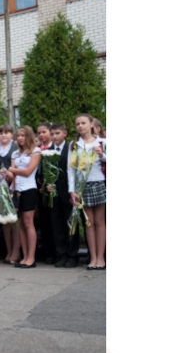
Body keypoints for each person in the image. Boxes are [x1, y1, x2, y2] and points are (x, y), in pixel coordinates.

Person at [69, 114, 107, 270]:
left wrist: (102, 155)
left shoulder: (102, 142)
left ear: (91, 124)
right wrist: (72, 190)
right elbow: (71, 169)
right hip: (82, 187)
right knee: (88, 222)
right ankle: (93, 257)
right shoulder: (74, 145)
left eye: (83, 123)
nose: (80, 126)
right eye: (77, 123)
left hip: (98, 183)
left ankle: (101, 258)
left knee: (100, 222)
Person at [6, 126, 42, 269]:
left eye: (23, 135)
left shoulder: (36, 151)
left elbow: (28, 172)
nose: (20, 138)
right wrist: (8, 173)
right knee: (19, 224)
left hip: (29, 189)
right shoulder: (15, 153)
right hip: (16, 190)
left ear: (29, 136)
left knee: (28, 223)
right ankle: (25, 256)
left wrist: (12, 169)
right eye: (18, 136)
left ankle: (31, 257)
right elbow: (13, 174)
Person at [48, 123, 77, 268]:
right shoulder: (48, 151)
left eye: (57, 133)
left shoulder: (71, 149)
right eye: (52, 134)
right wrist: (47, 184)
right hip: (54, 194)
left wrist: (73, 191)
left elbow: (74, 170)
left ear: (65, 133)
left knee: (71, 224)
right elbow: (46, 171)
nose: (54, 136)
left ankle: (72, 255)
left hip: (67, 192)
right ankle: (61, 254)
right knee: (57, 225)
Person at [0, 124, 21, 264]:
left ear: (11, 134)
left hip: (14, 186)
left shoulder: (16, 148)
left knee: (14, 220)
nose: (3, 135)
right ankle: (9, 251)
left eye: (7, 133)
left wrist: (11, 176)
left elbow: (19, 167)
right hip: (1, 186)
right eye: (1, 133)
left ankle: (16, 252)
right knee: (4, 220)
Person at [35, 121, 55, 263]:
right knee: (44, 222)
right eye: (39, 133)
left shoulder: (54, 148)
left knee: (55, 222)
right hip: (41, 189)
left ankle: (58, 251)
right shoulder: (37, 149)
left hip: (53, 189)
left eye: (44, 132)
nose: (41, 135)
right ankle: (48, 252)